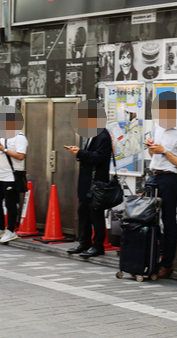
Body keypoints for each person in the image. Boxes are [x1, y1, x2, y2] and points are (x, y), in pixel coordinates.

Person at [145, 91, 177, 279]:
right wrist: (151, 148)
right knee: (148, 220)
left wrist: (164, 151)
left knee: (168, 221)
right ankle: (149, 258)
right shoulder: (157, 127)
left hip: (169, 179)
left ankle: (167, 263)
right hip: (153, 177)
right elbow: (152, 155)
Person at [65, 100, 112, 259]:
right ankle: (84, 242)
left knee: (96, 214)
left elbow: (99, 158)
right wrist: (78, 153)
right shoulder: (92, 135)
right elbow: (89, 156)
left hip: (96, 183)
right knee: (83, 212)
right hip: (87, 182)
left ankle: (98, 245)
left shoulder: (103, 136)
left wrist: (80, 153)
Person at [0, 106, 29, 244]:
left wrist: (4, 149)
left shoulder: (20, 138)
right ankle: (0, 227)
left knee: (11, 204)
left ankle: (11, 231)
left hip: (11, 177)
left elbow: (21, 156)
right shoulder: (3, 136)